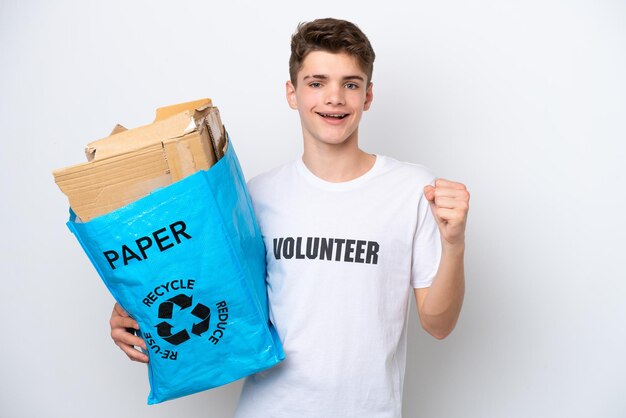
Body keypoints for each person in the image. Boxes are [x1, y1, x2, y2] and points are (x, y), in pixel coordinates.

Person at [110, 17, 469, 418]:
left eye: (350, 84)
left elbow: (438, 324)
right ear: (292, 93)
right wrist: (138, 310)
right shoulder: (257, 195)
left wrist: (454, 245)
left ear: (367, 96)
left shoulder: (411, 190)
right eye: (317, 83)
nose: (334, 98)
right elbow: (209, 293)